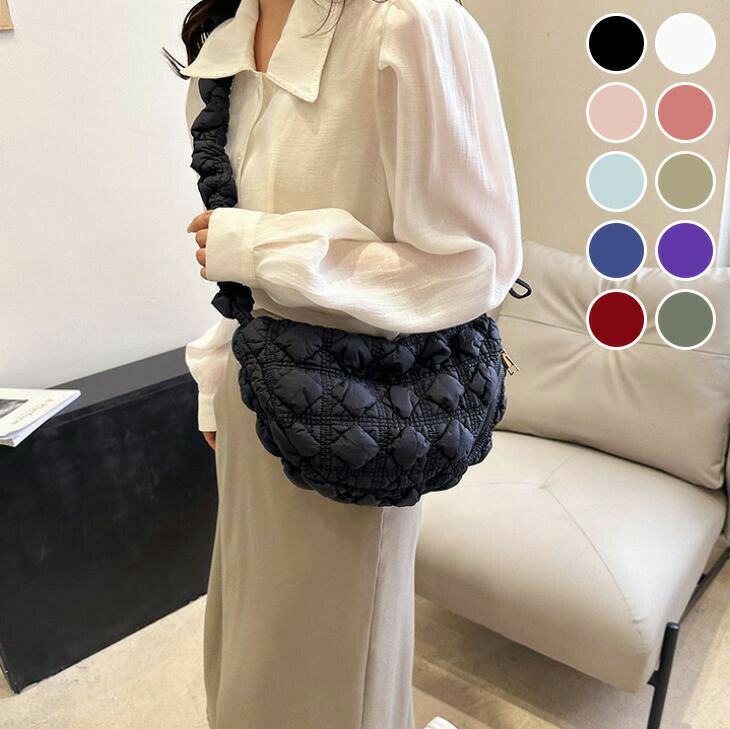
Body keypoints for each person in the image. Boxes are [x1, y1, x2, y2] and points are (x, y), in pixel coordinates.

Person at [175, 0, 522, 726]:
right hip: (256, 399)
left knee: (331, 690)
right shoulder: (226, 43)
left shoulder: (410, 24)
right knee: (245, 656)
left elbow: (476, 266)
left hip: (364, 423)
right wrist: (216, 376)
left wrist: (261, 246)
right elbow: (244, 278)